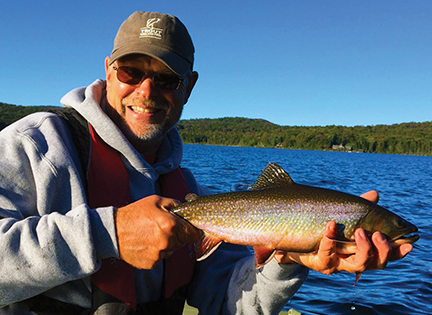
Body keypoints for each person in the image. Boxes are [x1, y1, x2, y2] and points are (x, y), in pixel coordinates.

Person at [0, 11, 413, 315]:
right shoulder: (34, 146)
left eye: (167, 79)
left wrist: (285, 263)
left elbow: (230, 303)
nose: (146, 90)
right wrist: (108, 232)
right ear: (109, 71)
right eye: (131, 71)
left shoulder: (188, 191)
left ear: (189, 87)